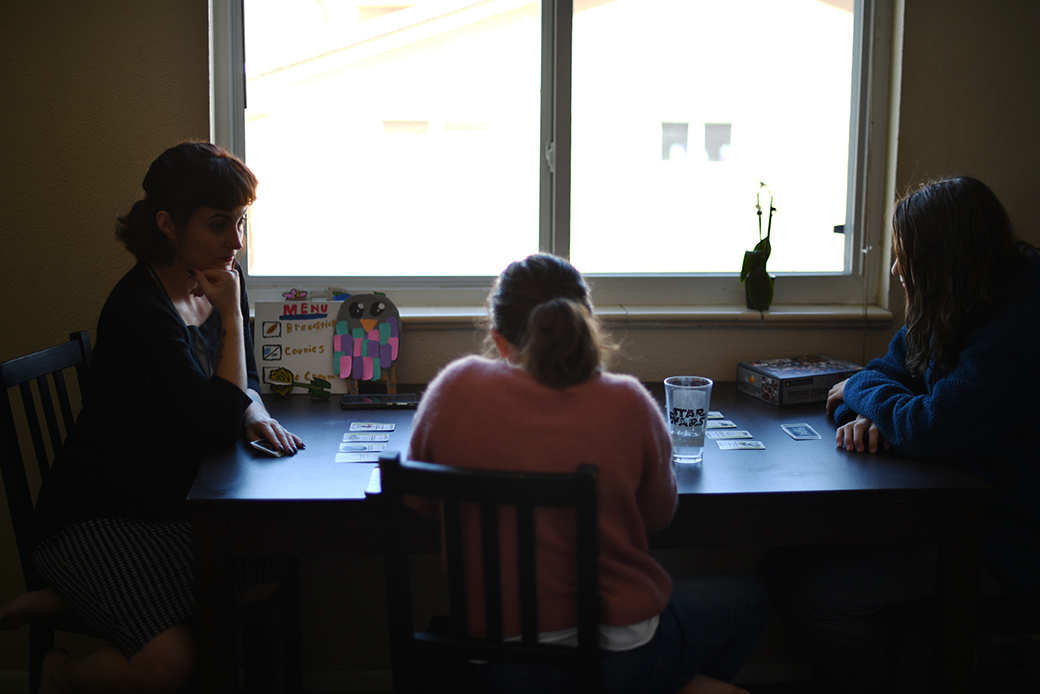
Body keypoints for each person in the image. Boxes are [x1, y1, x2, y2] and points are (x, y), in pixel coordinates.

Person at [0, 141, 303, 693]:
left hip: (166, 507)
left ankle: (74, 596)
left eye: (239, 223)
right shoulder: (141, 310)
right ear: (167, 223)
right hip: (99, 518)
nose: (234, 242)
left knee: (270, 571)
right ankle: (60, 674)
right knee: (170, 662)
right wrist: (233, 319)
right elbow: (213, 423)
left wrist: (252, 408)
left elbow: (243, 384)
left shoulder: (212, 278)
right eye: (218, 225)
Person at [405, 253, 768, 694]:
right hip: (619, 657)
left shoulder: (455, 388)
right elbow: (656, 515)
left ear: (499, 341)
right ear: (586, 326)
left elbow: (419, 500)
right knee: (753, 597)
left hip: (501, 663)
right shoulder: (628, 403)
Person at [759, 176, 1040, 692]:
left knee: (814, 594)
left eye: (903, 254)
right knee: (779, 563)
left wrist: (872, 400)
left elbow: (920, 422)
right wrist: (873, 414)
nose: (895, 270)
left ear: (942, 260)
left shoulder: (1015, 335)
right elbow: (884, 377)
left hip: (1002, 544)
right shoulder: (957, 302)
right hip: (952, 516)